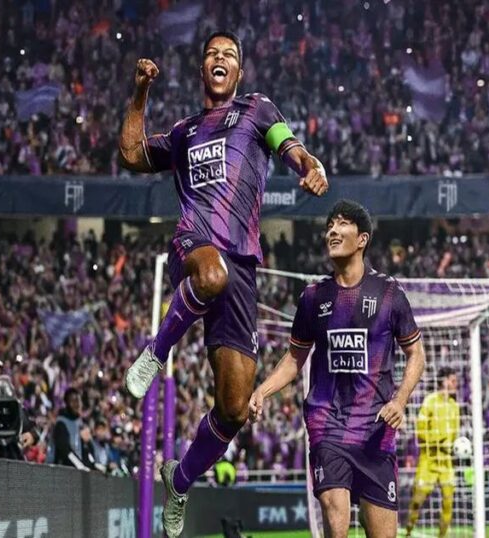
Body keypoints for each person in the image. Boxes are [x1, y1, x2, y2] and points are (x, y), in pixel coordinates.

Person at [117, 30, 329, 537]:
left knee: (234, 409)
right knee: (212, 273)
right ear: (202, 69)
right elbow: (130, 155)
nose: (219, 58)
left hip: (243, 267)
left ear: (238, 71)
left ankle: (180, 480)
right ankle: (156, 352)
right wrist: (140, 92)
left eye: (228, 55)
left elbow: (290, 147)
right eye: (212, 53)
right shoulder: (184, 131)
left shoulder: (257, 110)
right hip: (195, 245)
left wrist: (310, 164)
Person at [250, 200, 425, 538]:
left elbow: (416, 354)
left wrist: (400, 401)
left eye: (342, 224)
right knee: (335, 515)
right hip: (327, 423)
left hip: (376, 429)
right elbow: (295, 357)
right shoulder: (313, 297)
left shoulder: (389, 293)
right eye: (329, 225)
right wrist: (263, 390)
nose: (332, 230)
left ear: (362, 239)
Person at [405, 367, 461, 538]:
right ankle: (408, 531)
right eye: (452, 380)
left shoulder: (454, 406)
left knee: (448, 503)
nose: (455, 384)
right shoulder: (430, 402)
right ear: (443, 381)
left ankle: (442, 536)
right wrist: (439, 440)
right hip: (428, 460)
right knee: (417, 501)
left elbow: (455, 435)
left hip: (446, 462)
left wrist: (454, 446)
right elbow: (420, 432)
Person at [48, 388, 85, 468]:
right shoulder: (61, 423)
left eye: (78, 400)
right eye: (73, 401)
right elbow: (65, 451)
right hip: (60, 470)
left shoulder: (79, 424)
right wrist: (80, 465)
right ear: (67, 404)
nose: (77, 404)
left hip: (75, 469)